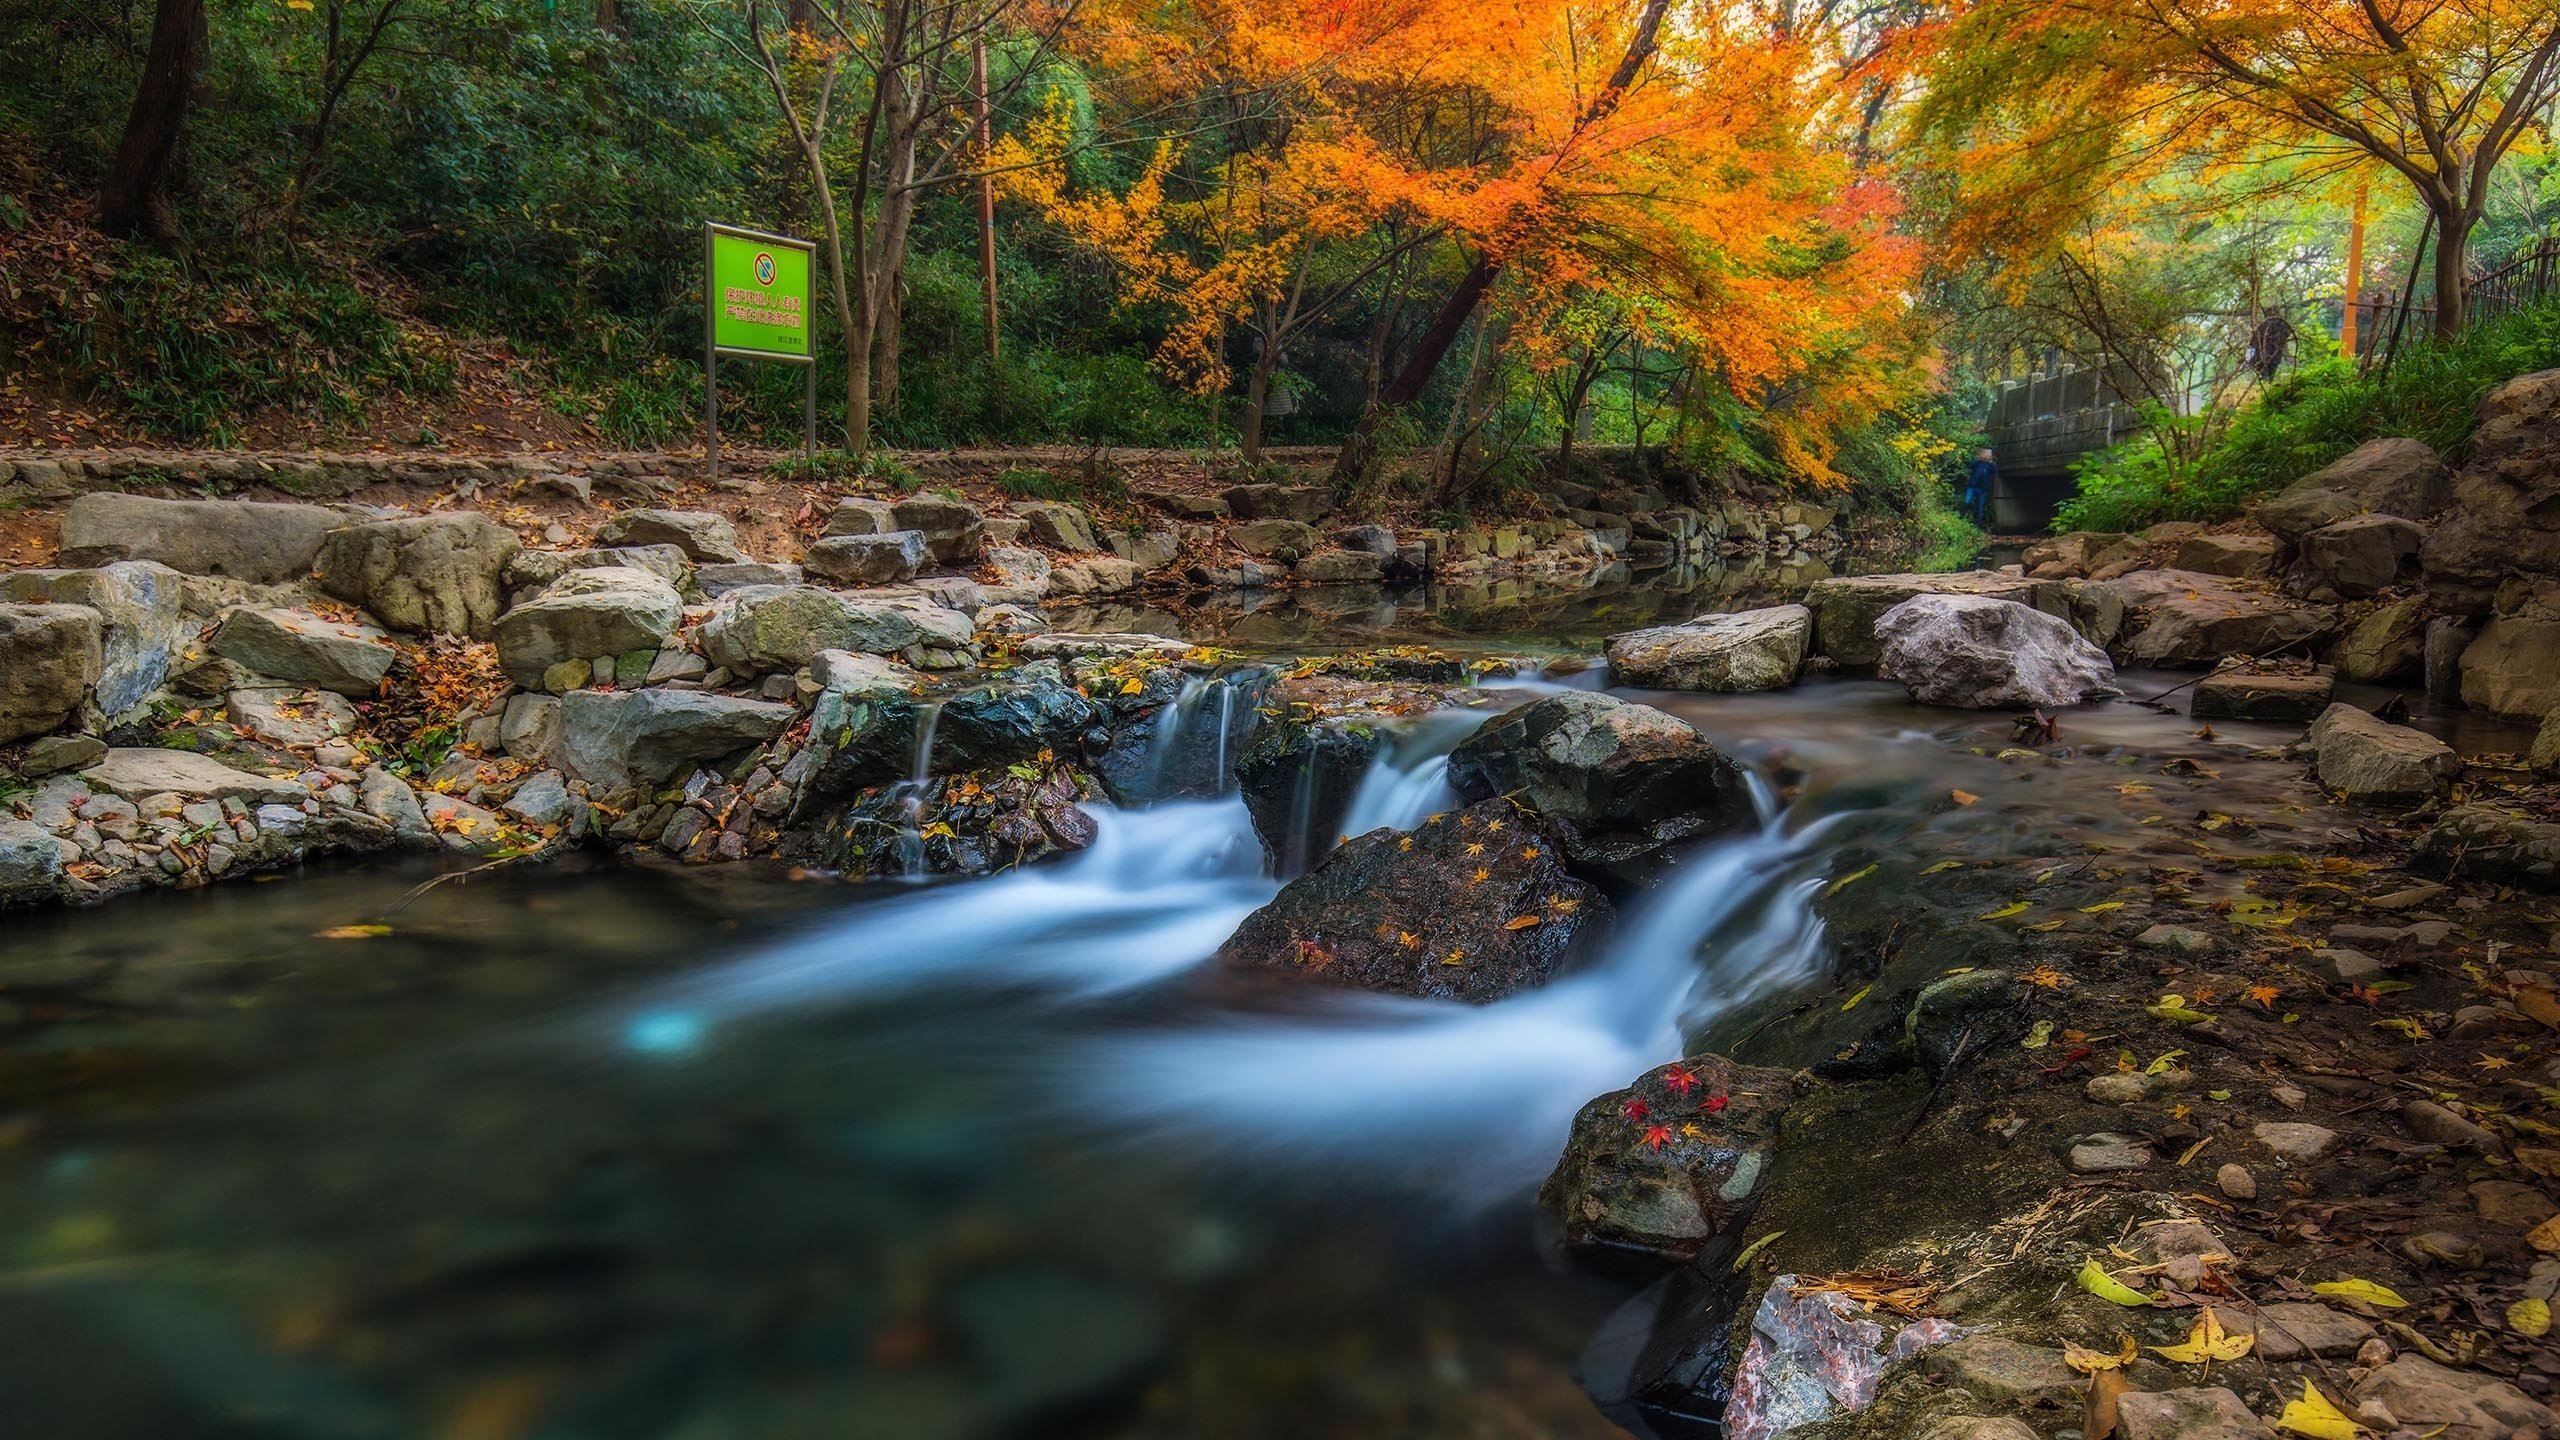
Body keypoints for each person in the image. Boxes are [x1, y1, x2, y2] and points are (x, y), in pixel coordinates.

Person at [1962, 448, 1998, 528]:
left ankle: (1977, 526)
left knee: (1980, 508)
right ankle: (1961, 519)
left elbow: (1995, 470)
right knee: (1967, 502)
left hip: (1983, 489)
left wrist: (1991, 460)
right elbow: (1971, 465)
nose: (1986, 456)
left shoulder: (1991, 465)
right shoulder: (1977, 463)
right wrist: (1979, 457)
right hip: (1972, 486)